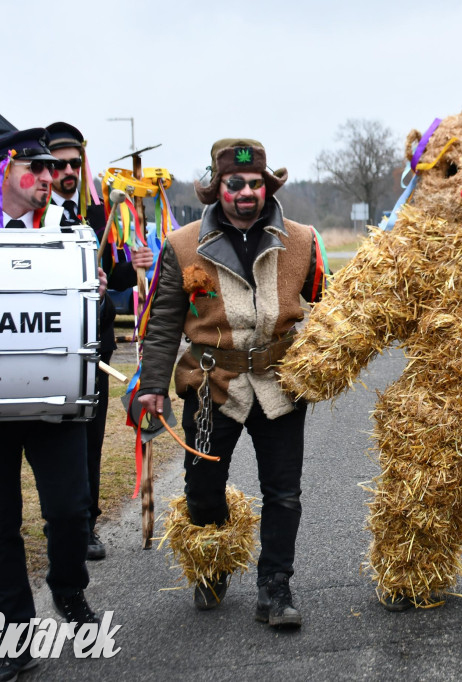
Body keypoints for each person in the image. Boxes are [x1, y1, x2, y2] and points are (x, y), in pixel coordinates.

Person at [137, 139, 324, 629]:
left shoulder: (303, 239)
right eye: (234, 183)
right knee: (202, 490)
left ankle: (275, 587)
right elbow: (164, 322)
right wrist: (151, 385)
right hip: (211, 384)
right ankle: (213, 563)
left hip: (280, 383)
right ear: (217, 187)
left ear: (267, 187)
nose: (246, 192)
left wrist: (327, 358)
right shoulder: (182, 245)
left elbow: (330, 309)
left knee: (283, 492)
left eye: (255, 183)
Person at [0, 128, 106, 681]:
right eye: (35, 168)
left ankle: (68, 589)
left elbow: (91, 313)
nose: (49, 177)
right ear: (0, 174)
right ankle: (13, 637)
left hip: (54, 402)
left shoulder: (68, 230)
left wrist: (93, 292)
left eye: (51, 168)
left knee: (70, 512)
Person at [45, 121, 153, 561]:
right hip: (49, 345)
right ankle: (57, 523)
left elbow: (114, 275)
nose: (69, 171)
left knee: (90, 442)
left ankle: (86, 526)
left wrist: (136, 264)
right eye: (59, 164)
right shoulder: (34, 216)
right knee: (51, 444)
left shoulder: (99, 214)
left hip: (95, 350)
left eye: (75, 163)